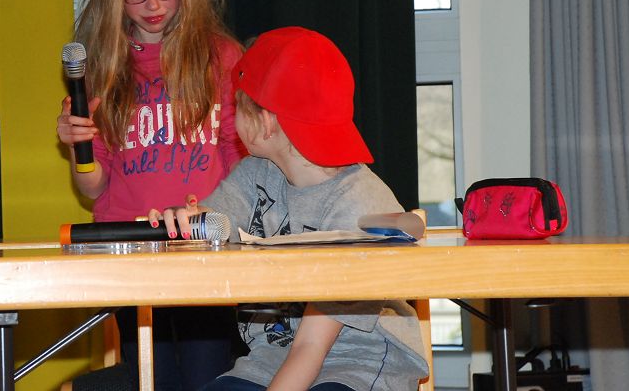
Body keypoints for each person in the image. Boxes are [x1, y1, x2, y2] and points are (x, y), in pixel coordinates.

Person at [152, 26, 429, 391]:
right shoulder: (255, 173)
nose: (230, 118)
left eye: (237, 105)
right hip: (271, 359)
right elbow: (217, 221)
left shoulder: (357, 204)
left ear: (266, 122)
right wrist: (186, 222)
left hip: (358, 362)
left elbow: (311, 346)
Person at [56, 0, 246, 390]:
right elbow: (92, 186)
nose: (154, 5)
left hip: (204, 248)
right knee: (152, 379)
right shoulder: (102, 67)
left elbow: (238, 155)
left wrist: (225, 216)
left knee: (206, 378)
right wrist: (79, 146)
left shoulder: (220, 57)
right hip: (131, 250)